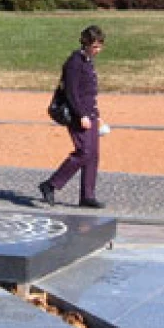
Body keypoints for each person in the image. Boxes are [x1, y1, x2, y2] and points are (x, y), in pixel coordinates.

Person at [39, 25, 105, 208]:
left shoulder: (88, 61)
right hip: (78, 115)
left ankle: (87, 196)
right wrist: (82, 115)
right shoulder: (74, 62)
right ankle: (50, 185)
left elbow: (89, 92)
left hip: (90, 114)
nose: (98, 50)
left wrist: (96, 115)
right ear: (86, 44)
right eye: (95, 46)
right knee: (84, 152)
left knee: (93, 155)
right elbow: (71, 93)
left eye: (100, 46)